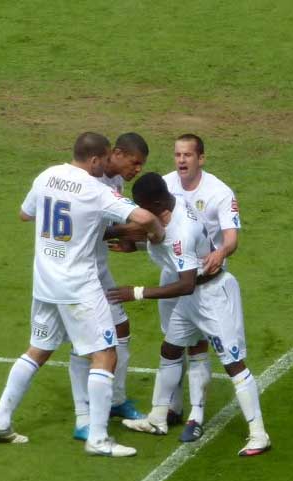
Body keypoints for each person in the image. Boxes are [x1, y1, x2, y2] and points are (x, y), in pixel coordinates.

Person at [0, 132, 165, 457]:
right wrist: (158, 233)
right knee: (105, 354)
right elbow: (145, 217)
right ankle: (97, 438)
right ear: (95, 160)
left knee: (38, 350)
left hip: (45, 281)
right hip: (79, 285)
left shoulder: (47, 175)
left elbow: (25, 214)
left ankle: (0, 421)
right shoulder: (95, 190)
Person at [106, 172, 270, 457]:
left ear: (158, 204)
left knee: (233, 363)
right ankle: (158, 417)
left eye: (143, 207)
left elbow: (185, 283)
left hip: (213, 296)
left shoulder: (182, 231)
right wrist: (131, 241)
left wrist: (137, 292)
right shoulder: (174, 203)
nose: (140, 213)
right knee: (170, 349)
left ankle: (259, 434)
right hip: (192, 297)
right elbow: (156, 236)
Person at [68, 132, 150, 442]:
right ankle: (84, 416)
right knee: (83, 343)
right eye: (134, 162)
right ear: (115, 154)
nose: (136, 169)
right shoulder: (92, 182)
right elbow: (92, 232)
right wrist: (140, 228)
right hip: (80, 273)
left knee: (121, 328)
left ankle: (115, 400)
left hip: (98, 270)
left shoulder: (114, 183)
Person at [161, 134, 242, 442]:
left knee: (196, 346)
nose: (181, 160)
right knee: (171, 344)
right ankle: (171, 407)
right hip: (172, 277)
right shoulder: (165, 186)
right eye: (177, 154)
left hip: (203, 284)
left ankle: (196, 415)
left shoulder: (219, 192)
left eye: (188, 155)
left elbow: (231, 237)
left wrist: (220, 253)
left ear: (201, 159)